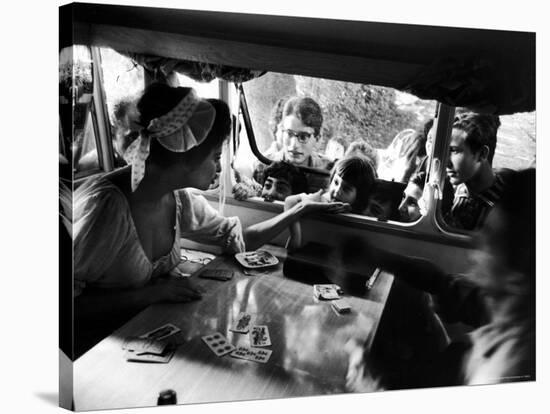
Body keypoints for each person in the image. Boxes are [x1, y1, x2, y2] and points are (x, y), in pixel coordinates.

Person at [73, 84, 348, 356]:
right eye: (215, 157)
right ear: (185, 155)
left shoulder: (178, 200)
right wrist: (149, 295)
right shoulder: (106, 209)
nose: (219, 167)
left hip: (143, 333)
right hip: (95, 352)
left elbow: (240, 240)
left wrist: (297, 212)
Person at [346, 169, 535, 390]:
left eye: (490, 240)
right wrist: (374, 256)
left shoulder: (507, 370)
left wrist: (369, 386)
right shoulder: (503, 307)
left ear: (517, 276)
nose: (476, 247)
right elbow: (439, 282)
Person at [285, 156, 375, 250]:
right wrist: (295, 236)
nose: (336, 191)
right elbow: (289, 201)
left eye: (346, 188)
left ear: (359, 196)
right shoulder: (320, 199)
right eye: (336, 182)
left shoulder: (360, 214)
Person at [444, 112, 511, 230]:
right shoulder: (454, 191)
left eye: (454, 151)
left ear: (482, 154)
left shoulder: (507, 207)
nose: (446, 162)